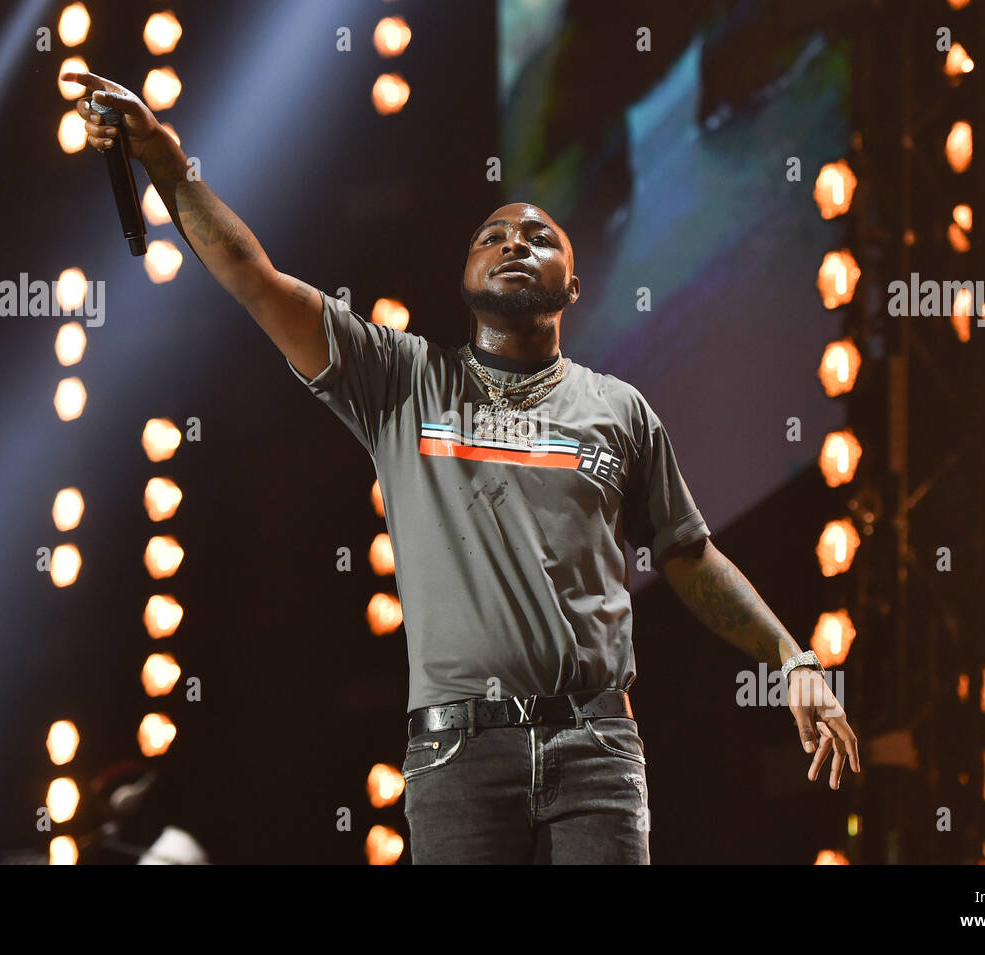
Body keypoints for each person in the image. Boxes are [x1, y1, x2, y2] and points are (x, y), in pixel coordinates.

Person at [63, 71, 860, 865]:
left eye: (540, 236)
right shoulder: (402, 380)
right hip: (457, 757)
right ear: (467, 280)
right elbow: (254, 277)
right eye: (494, 236)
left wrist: (792, 657)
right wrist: (168, 162)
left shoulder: (619, 410)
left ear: (573, 287)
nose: (515, 241)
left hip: (598, 748)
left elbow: (688, 554)